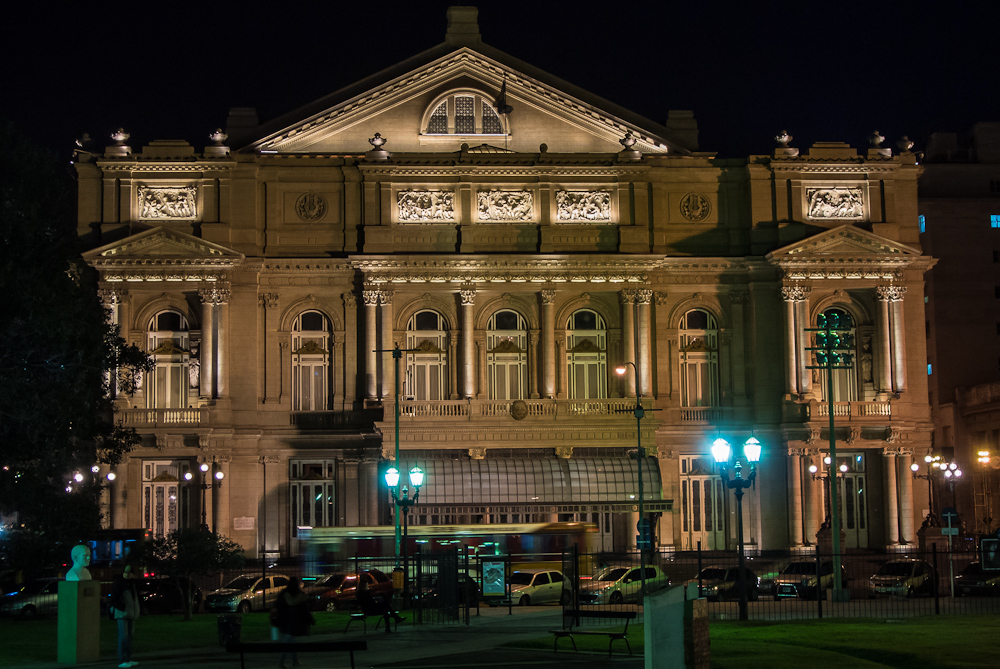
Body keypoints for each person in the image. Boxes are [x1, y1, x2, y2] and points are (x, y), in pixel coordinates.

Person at [273, 577, 314, 669]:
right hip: (293, 621)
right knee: (288, 642)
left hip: (284, 621)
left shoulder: (284, 594)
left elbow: (277, 606)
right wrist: (311, 620)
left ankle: (293, 661)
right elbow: (305, 610)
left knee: (289, 641)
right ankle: (284, 662)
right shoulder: (299, 595)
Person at [109, 565, 140, 669]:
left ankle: (127, 659)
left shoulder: (132, 584)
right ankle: (123, 660)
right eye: (125, 572)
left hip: (130, 613)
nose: (127, 574)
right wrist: (122, 607)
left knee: (129, 637)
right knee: (124, 637)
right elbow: (113, 598)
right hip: (123, 614)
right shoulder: (120, 584)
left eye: (129, 572)